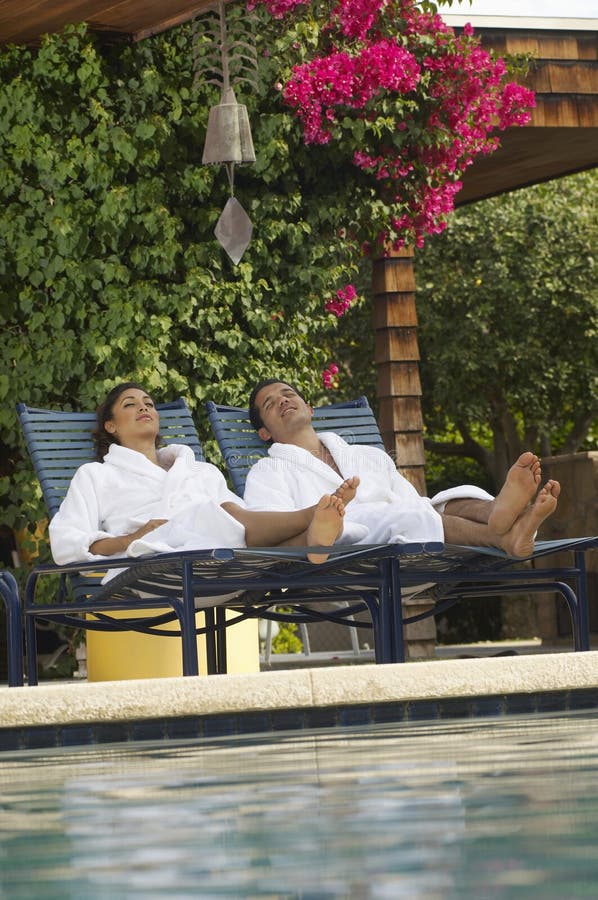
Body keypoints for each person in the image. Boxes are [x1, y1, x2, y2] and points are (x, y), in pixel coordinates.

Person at [49, 383, 362, 572]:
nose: (144, 408)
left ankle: (312, 537)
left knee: (230, 513)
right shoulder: (96, 474)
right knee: (219, 511)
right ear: (111, 426)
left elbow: (248, 521)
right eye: (130, 405)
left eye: (149, 404)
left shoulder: (197, 469)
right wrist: (128, 539)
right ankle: (310, 516)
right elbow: (65, 541)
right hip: (154, 558)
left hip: (219, 557)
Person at [244, 379, 561, 558]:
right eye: (270, 404)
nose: (283, 401)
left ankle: (500, 515)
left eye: (289, 394)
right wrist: (321, 515)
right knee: (413, 515)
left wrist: (434, 510)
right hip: (350, 549)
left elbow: (412, 500)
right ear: (264, 433)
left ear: (311, 409)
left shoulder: (366, 455)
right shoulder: (268, 471)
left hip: (407, 531)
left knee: (447, 501)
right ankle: (504, 536)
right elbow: (268, 529)